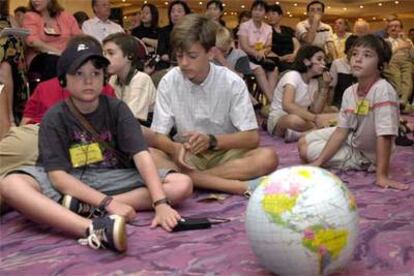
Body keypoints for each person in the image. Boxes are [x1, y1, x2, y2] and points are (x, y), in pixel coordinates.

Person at [0, 36, 193, 252]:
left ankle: (81, 208)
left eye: (95, 73)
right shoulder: (54, 117)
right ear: (63, 79)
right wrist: (109, 204)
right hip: (69, 177)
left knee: (181, 184)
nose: (88, 80)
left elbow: (141, 155)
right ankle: (93, 227)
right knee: (11, 184)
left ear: (104, 77)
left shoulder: (117, 109)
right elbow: (58, 177)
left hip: (111, 176)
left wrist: (161, 203)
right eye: (79, 73)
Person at [151, 14, 279, 196]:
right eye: (179, 56)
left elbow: (252, 138)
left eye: (192, 56)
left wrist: (211, 140)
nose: (184, 63)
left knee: (267, 157)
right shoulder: (169, 81)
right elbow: (158, 136)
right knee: (149, 155)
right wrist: (176, 148)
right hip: (187, 155)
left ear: (211, 53)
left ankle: (193, 180)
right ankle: (226, 184)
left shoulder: (232, 82)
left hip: (225, 153)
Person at [298, 34, 409, 191]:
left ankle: (364, 164)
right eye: (355, 54)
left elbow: (385, 134)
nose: (357, 59)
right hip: (352, 139)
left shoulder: (383, 89)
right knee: (303, 140)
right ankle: (323, 156)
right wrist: (319, 162)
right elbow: (341, 131)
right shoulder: (350, 91)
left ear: (381, 65)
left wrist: (381, 175)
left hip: (365, 155)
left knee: (305, 150)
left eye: (367, 55)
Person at [267, 45, 337, 143]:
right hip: (282, 118)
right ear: (306, 61)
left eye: (324, 60)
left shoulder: (314, 82)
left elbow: (316, 110)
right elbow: (287, 106)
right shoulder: (292, 76)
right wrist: (315, 119)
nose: (323, 63)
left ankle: (304, 134)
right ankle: (322, 130)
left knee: (338, 116)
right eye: (319, 59)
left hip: (305, 118)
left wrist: (325, 87)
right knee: (295, 120)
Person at [103, 33, 156, 126]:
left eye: (111, 53)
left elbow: (131, 121)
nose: (105, 58)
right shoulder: (114, 78)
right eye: (104, 53)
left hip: (148, 132)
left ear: (129, 56)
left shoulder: (141, 79)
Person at [238, 0, 278, 101]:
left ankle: (270, 101)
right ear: (251, 11)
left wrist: (263, 52)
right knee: (259, 69)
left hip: (260, 58)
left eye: (260, 10)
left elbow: (269, 46)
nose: (257, 12)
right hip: (244, 57)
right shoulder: (244, 26)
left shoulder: (268, 28)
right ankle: (272, 101)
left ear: (265, 13)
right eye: (255, 9)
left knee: (274, 69)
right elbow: (244, 46)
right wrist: (256, 53)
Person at [23, 0, 80, 66]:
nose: (35, 1)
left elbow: (79, 38)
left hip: (68, 59)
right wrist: (60, 53)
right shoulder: (30, 16)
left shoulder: (66, 16)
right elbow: (33, 42)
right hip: (43, 59)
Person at [0, 0, 29, 127]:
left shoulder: (9, 18)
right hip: (9, 59)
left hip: (10, 63)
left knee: (5, 68)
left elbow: (23, 40)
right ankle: (10, 119)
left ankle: (10, 118)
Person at [384, 18, 414, 113]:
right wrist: (397, 49)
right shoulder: (385, 42)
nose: (393, 28)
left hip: (407, 62)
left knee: (407, 79)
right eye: (391, 26)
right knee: (396, 77)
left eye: (396, 26)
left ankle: (402, 102)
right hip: (392, 62)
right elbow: (384, 57)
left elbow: (413, 56)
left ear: (401, 29)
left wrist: (406, 42)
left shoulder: (407, 40)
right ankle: (403, 104)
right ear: (387, 29)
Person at [267, 4, 300, 73]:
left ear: (280, 16)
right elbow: (267, 48)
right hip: (277, 60)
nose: (270, 17)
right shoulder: (266, 30)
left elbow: (297, 44)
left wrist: (294, 54)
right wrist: (281, 58)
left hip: (293, 59)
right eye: (268, 14)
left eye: (273, 14)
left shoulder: (287, 29)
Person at [329, 35, 358, 108]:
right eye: (353, 52)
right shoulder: (337, 63)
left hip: (358, 104)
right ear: (347, 49)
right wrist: (329, 105)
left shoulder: (363, 64)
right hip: (339, 103)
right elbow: (332, 88)